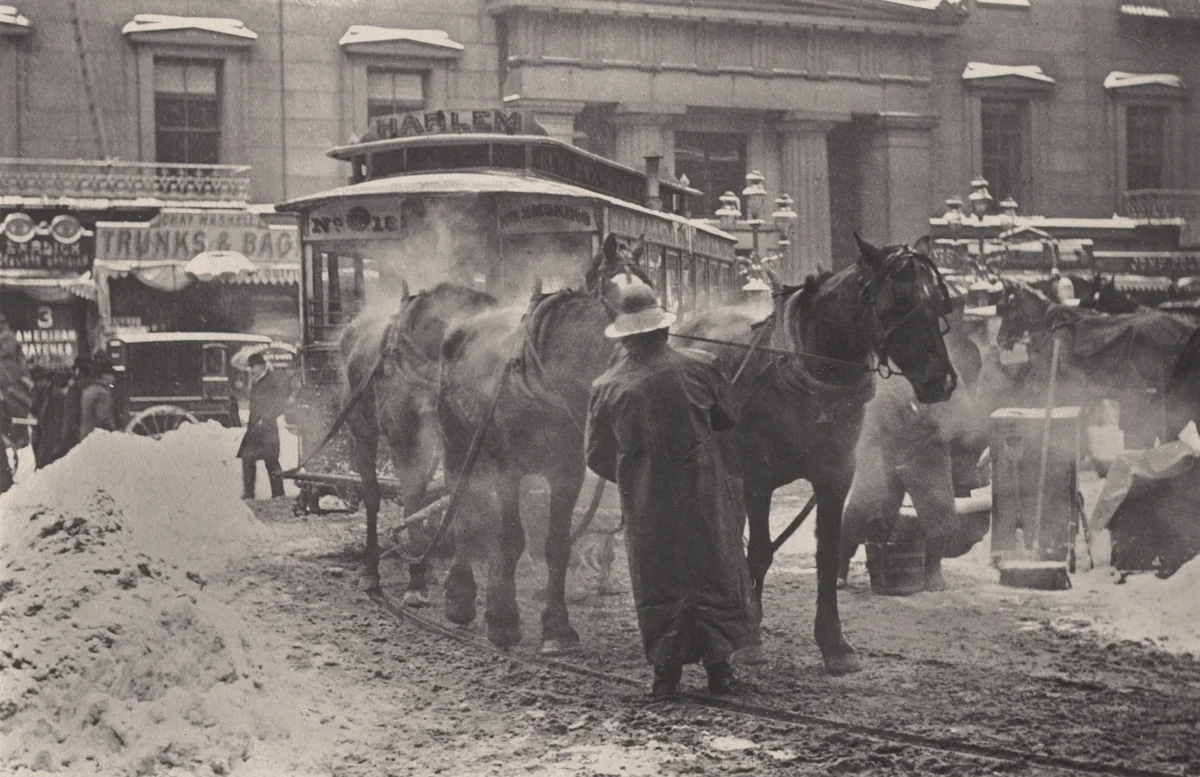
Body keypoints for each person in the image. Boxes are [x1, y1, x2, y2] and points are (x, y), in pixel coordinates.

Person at [585, 284, 754, 698]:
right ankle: (720, 671)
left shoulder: (606, 386)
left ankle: (666, 676)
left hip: (648, 502)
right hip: (704, 493)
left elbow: (596, 456)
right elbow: (728, 419)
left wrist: (636, 474)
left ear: (625, 337)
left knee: (658, 578)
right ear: (663, 329)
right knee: (712, 571)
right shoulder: (702, 367)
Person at [237, 351, 289, 499]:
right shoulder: (258, 381)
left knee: (271, 461)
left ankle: (278, 494)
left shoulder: (271, 381)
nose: (252, 371)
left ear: (260, 366)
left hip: (267, 429)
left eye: (253, 367)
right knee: (247, 459)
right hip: (254, 429)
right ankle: (249, 493)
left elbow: (280, 403)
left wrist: (267, 418)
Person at [78, 351, 118, 440]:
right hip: (98, 441)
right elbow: (104, 420)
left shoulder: (89, 390)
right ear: (104, 376)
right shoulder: (101, 394)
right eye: (111, 375)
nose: (113, 379)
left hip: (87, 438)